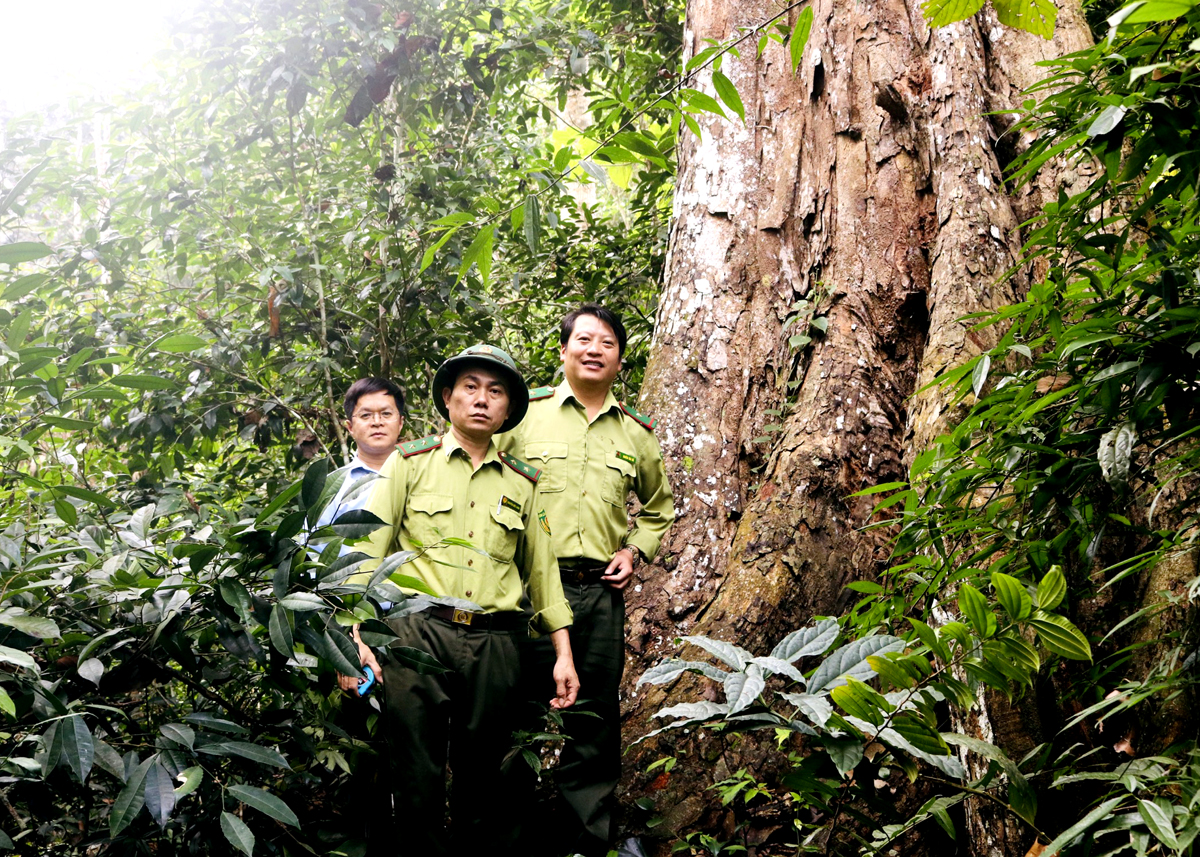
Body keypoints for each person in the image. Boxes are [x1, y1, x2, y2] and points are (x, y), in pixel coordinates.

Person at [342, 344, 580, 857]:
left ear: (507, 409)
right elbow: (366, 554)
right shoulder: (408, 464)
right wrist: (352, 637)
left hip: (496, 643)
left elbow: (541, 572)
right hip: (416, 635)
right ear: (448, 398)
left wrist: (562, 652)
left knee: (486, 776)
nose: (481, 399)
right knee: (415, 771)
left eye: (495, 392)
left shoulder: (524, 481)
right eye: (470, 387)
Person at [502, 304, 674, 857]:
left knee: (594, 720)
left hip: (598, 592)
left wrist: (633, 549)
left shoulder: (636, 433)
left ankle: (586, 842)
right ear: (563, 350)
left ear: (621, 359)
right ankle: (510, 838)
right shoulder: (523, 417)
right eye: (583, 339)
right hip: (525, 589)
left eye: (606, 342)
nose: (594, 348)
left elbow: (658, 507)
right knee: (516, 711)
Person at [310, 377, 406, 540]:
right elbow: (314, 549)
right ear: (350, 427)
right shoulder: (330, 488)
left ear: (400, 423)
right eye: (366, 415)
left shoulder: (423, 474)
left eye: (386, 414)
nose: (377, 422)